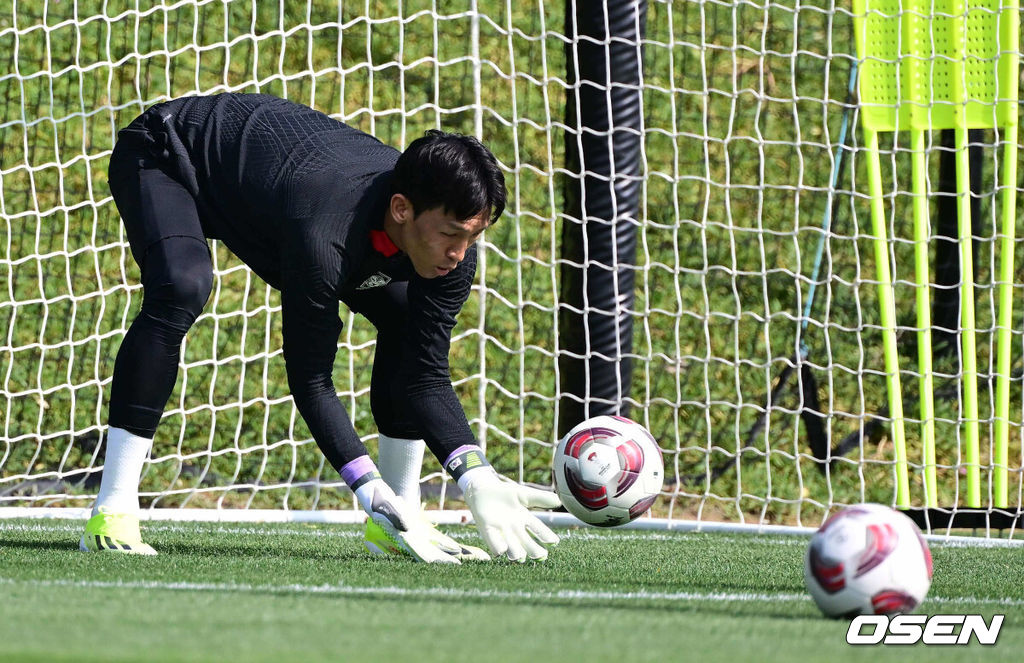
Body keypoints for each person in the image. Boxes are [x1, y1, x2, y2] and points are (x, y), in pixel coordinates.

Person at [81, 93, 560, 563]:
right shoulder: (325, 231)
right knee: (182, 284)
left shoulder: (453, 252)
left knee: (406, 318)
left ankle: (400, 517)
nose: (460, 253)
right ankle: (113, 510)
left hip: (264, 200)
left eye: (473, 236)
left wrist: (475, 475)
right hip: (169, 152)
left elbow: (425, 373)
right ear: (401, 210)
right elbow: (310, 379)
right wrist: (367, 490)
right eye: (451, 235)